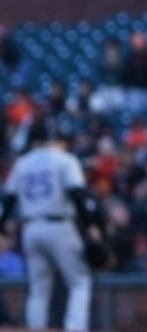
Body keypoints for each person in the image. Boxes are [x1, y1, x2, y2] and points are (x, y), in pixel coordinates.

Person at [0, 118, 94, 331]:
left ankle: (36, 328)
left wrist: (2, 227)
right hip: (60, 224)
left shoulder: (22, 162)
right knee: (79, 281)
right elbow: (78, 195)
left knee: (38, 288)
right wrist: (91, 227)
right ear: (55, 138)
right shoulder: (65, 160)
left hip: (31, 228)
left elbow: (8, 201)